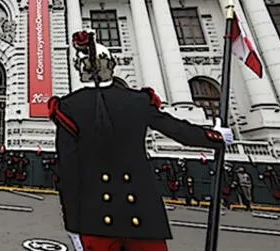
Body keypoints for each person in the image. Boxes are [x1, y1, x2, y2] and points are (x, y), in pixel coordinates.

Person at [50, 30, 234, 251]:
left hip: (96, 218)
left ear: (81, 70)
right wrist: (214, 136)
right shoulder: (138, 101)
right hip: (142, 215)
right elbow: (177, 130)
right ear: (111, 65)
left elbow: (68, 174)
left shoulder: (68, 107)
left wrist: (72, 225)